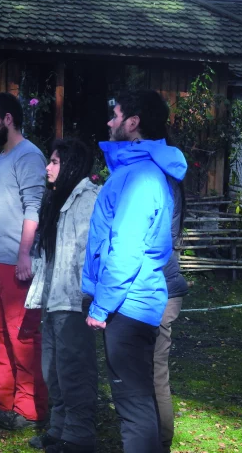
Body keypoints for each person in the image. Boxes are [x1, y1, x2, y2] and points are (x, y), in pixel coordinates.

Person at [82, 90, 187, 453]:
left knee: (134, 403)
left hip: (129, 302)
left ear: (133, 122)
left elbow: (126, 249)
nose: (109, 122)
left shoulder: (141, 177)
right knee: (137, 397)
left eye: (115, 115)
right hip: (133, 299)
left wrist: (100, 306)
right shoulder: (137, 170)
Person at [0, 92, 48, 431]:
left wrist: (23, 256)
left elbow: (34, 208)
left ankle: (30, 410)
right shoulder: (1, 159)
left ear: (9, 119)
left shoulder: (29, 156)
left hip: (18, 263)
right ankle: (4, 400)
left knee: (23, 336)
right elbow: (3, 208)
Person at [25, 138, 99, 453]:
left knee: (74, 370)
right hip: (53, 299)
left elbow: (88, 253)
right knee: (53, 369)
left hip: (74, 301)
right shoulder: (57, 200)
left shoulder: (89, 199)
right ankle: (58, 429)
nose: (47, 168)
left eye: (54, 162)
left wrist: (89, 297)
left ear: (70, 165)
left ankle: (79, 437)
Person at [156, 174, 189, 453]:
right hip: (161, 285)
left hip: (160, 287)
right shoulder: (167, 181)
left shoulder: (160, 182)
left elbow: (159, 240)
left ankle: (161, 440)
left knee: (154, 370)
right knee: (151, 369)